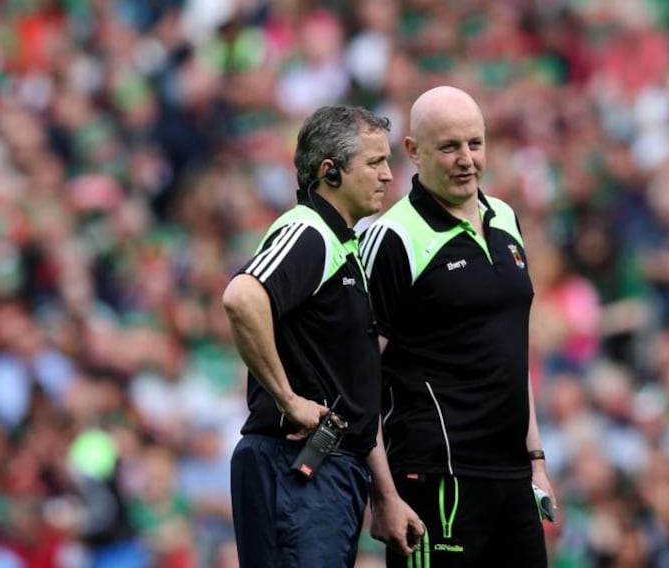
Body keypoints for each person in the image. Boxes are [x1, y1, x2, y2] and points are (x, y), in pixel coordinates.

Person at [361, 86, 554, 567]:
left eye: (475, 143)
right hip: (435, 483)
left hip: (512, 478)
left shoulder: (505, 217)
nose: (466, 159)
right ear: (413, 152)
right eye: (449, 147)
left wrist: (536, 462)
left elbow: (511, 350)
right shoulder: (393, 238)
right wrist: (382, 493)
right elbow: (357, 377)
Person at [223, 105, 403, 567]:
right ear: (330, 172)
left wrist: (383, 494)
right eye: (374, 162)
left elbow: (354, 390)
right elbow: (243, 298)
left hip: (324, 470)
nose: (387, 175)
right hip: (297, 467)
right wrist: (288, 398)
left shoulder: (345, 245)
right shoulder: (309, 229)